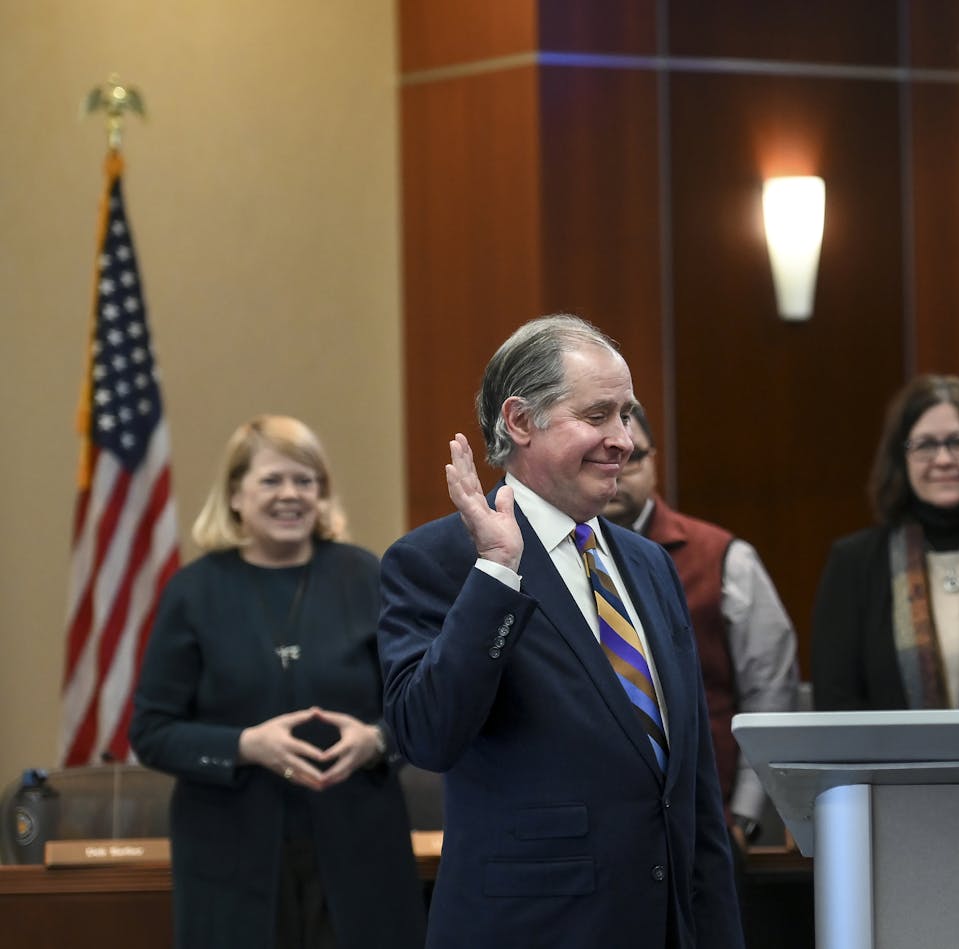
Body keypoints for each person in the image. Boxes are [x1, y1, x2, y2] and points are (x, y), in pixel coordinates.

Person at [378, 315, 743, 949]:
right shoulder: (436, 560)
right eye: (598, 415)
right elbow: (426, 737)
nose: (623, 441)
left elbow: (693, 789)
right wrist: (495, 573)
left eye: (626, 416)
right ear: (520, 422)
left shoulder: (650, 563)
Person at [130, 415, 425, 949]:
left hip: (360, 850)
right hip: (231, 861)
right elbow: (152, 732)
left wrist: (376, 740)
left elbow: (418, 708)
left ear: (322, 495)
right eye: (271, 480)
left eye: (305, 481)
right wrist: (246, 745)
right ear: (236, 495)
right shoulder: (193, 593)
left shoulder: (368, 577)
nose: (290, 495)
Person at [603, 405, 800, 851]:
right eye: (602, 456)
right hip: (598, 824)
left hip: (706, 821)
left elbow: (770, 694)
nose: (617, 469)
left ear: (654, 461)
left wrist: (745, 817)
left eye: (631, 456)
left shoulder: (723, 556)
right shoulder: (554, 559)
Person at [812, 374, 959, 711]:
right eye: (926, 445)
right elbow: (835, 699)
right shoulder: (854, 563)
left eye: (958, 442)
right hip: (887, 763)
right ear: (900, 457)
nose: (944, 459)